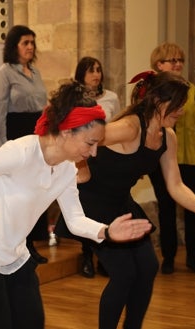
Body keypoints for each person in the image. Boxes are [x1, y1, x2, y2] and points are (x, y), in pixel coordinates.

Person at [0, 81, 152, 329]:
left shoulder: (66, 169)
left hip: (13, 253)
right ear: (67, 131)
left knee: (31, 320)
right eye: (90, 143)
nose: (93, 153)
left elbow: (75, 219)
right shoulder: (21, 152)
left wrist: (107, 231)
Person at [55, 71, 195, 329]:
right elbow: (83, 136)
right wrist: (81, 168)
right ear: (158, 101)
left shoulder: (167, 137)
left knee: (148, 267)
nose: (182, 110)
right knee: (125, 274)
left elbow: (176, 184)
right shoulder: (129, 128)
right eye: (178, 103)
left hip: (120, 204)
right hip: (93, 203)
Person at [146, 42, 195, 274]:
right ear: (159, 64)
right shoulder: (152, 90)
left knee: (194, 207)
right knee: (166, 208)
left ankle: (194, 256)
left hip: (188, 157)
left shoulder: (191, 89)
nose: (178, 64)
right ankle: (168, 257)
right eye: (172, 60)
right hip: (160, 159)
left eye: (180, 60)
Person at [0, 25, 48, 263]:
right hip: (16, 132)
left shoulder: (35, 72)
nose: (30, 47)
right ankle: (19, 245)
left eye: (32, 43)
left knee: (36, 190)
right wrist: (2, 145)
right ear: (14, 45)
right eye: (25, 42)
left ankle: (32, 244)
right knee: (20, 192)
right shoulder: (5, 72)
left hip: (36, 133)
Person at [74, 56, 121, 277]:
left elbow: (118, 126)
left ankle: (106, 256)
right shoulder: (74, 98)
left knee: (107, 206)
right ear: (81, 74)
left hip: (107, 158)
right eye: (91, 70)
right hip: (84, 157)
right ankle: (86, 255)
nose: (96, 74)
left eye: (98, 70)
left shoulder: (111, 97)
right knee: (87, 207)